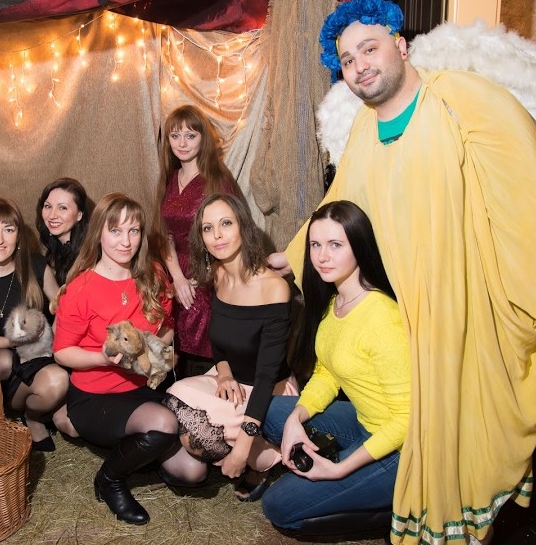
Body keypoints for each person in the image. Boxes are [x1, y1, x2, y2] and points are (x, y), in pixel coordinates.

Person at [267, 0, 536, 542]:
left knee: (452, 423)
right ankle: (387, 475)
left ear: (400, 46)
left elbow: (525, 183)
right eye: (348, 60)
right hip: (400, 303)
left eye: (369, 49)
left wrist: (512, 286)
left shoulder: (461, 100)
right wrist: (296, 250)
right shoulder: (364, 127)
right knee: (386, 406)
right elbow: (343, 199)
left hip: (458, 305)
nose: (360, 66)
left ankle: (428, 500)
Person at [53, 193, 205, 525]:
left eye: (133, 231)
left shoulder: (153, 273)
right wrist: (104, 359)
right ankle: (109, 480)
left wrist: (157, 352)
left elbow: (167, 328)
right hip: (95, 395)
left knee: (194, 472)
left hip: (144, 388)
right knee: (163, 424)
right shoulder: (81, 288)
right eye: (116, 231)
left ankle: (141, 452)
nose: (126, 241)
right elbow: (62, 352)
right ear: (99, 233)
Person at [261, 200, 410, 530]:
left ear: (359, 246)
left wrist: (340, 469)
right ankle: (333, 465)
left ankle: (399, 513)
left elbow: (405, 420)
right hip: (362, 420)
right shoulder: (335, 302)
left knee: (277, 507)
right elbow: (326, 373)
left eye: (335, 245)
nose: (322, 256)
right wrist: (296, 419)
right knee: (271, 412)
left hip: (400, 449)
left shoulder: (382, 319)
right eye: (315, 245)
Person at [162, 193, 295, 501]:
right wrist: (223, 374)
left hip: (269, 390)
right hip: (229, 380)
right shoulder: (219, 274)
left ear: (243, 226)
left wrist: (241, 450)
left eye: (226, 224)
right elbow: (219, 341)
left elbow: (267, 375)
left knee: (198, 434)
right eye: (208, 228)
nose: (217, 235)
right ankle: (254, 442)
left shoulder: (274, 288)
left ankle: (265, 456)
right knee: (172, 401)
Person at [0, 198, 71, 451]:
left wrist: (53, 337)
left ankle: (32, 416)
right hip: (1, 369)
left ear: (18, 237)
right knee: (9, 364)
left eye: (8, 230)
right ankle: (9, 409)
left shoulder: (37, 266)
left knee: (59, 382)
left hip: (38, 358)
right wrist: (19, 340)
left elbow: (63, 309)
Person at [150, 105, 242, 371]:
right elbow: (163, 234)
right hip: (173, 272)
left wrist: (204, 275)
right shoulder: (169, 178)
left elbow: (232, 235)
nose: (182, 143)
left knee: (204, 346)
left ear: (203, 139)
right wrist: (177, 278)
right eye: (175, 135)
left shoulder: (217, 179)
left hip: (210, 271)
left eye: (190, 136)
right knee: (167, 350)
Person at [36, 177, 91, 288]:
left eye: (63, 208)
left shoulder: (89, 254)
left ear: (79, 215)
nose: (52, 215)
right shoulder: (56, 247)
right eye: (48, 206)